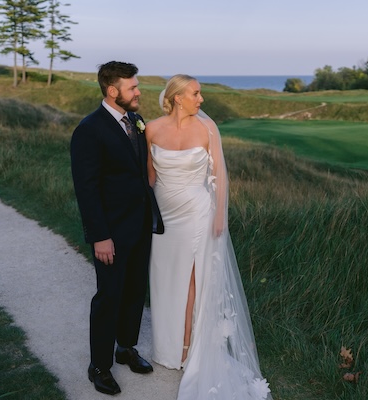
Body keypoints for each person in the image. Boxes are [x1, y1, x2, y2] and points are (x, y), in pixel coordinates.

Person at [146, 74, 272, 399]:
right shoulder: (152, 129)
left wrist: (220, 216)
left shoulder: (207, 129)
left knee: (192, 279)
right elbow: (149, 177)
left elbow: (220, 176)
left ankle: (189, 349)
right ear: (177, 97)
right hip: (164, 217)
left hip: (199, 213)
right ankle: (168, 348)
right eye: (196, 93)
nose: (201, 99)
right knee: (164, 278)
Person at [70, 61, 163, 396]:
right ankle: (99, 366)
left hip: (139, 226)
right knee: (109, 296)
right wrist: (100, 236)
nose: (139, 92)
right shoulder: (89, 129)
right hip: (110, 232)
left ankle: (125, 347)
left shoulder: (135, 122)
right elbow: (87, 188)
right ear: (113, 91)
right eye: (133, 87)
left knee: (135, 290)